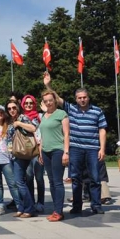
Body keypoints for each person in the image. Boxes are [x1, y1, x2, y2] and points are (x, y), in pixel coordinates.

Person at [44, 72, 107, 215]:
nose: (82, 100)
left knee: (95, 178)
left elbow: (102, 130)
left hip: (92, 148)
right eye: (79, 98)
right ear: (76, 99)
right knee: (76, 178)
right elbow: (57, 99)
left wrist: (102, 149)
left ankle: (96, 205)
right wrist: (48, 85)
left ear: (88, 97)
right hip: (76, 148)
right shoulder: (71, 109)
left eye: (84, 97)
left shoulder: (97, 111)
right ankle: (77, 205)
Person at [38, 90, 69, 222]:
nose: (49, 103)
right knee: (51, 182)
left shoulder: (61, 114)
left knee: (57, 181)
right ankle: (56, 210)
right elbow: (42, 135)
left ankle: (59, 211)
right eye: (46, 101)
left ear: (55, 100)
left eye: (50, 100)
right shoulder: (43, 116)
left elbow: (66, 134)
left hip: (58, 150)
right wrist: (40, 152)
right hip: (46, 151)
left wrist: (66, 152)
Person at [6, 100, 39, 218]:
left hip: (21, 154)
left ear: (18, 108)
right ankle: (21, 207)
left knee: (19, 182)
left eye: (14, 108)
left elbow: (33, 128)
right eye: (9, 108)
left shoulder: (22, 117)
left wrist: (19, 124)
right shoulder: (10, 121)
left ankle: (30, 208)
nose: (11, 110)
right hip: (12, 154)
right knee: (18, 182)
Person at [21, 95, 45, 212]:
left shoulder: (40, 116)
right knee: (29, 177)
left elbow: (43, 131)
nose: (28, 105)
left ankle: (40, 202)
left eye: (31, 103)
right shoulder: (21, 117)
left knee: (39, 178)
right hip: (26, 151)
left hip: (38, 149)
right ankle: (31, 201)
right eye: (26, 103)